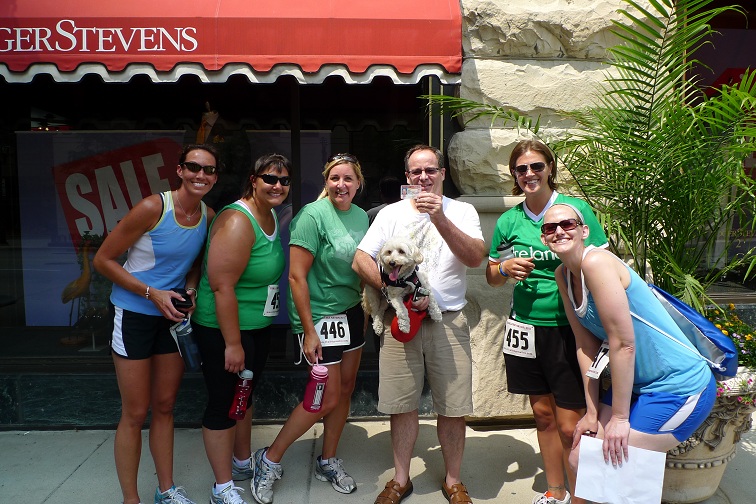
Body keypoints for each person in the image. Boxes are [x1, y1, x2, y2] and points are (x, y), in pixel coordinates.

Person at [353, 144, 486, 504]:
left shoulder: (462, 210)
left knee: (453, 406)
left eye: (430, 170)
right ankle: (401, 480)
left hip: (448, 321)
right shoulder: (390, 213)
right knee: (401, 404)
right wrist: (390, 289)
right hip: (400, 319)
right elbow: (361, 259)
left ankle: (453, 480)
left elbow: (475, 257)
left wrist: (440, 218)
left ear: (443, 173)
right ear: (407, 177)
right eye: (416, 171)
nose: (423, 177)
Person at [540, 203, 716, 474]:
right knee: (579, 459)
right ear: (544, 238)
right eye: (551, 228)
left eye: (567, 224)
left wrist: (620, 419)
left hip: (679, 386)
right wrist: (591, 413)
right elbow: (585, 346)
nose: (559, 231)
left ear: (584, 231)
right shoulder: (562, 275)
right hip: (638, 385)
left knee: (607, 467)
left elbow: (624, 344)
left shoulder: (596, 263)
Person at [93, 144, 219, 504]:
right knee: (135, 412)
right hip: (133, 314)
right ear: (179, 171)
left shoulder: (208, 215)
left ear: (215, 177)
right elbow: (103, 260)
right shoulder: (153, 207)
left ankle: (166, 490)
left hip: (172, 318)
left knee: (165, 406)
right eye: (193, 167)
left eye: (209, 170)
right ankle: (130, 499)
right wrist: (151, 293)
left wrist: (189, 290)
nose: (200, 175)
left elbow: (195, 265)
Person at [485, 139, 607, 504]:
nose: (529, 174)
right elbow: (492, 275)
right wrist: (504, 268)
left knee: (572, 423)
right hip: (524, 327)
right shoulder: (509, 220)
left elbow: (601, 262)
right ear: (514, 175)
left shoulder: (574, 210)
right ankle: (555, 492)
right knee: (542, 415)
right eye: (521, 169)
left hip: (570, 328)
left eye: (536, 166)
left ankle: (583, 497)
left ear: (550, 168)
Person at [249, 153, 369, 504]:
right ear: (326, 181)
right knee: (323, 397)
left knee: (345, 390)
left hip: (351, 312)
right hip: (318, 317)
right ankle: (269, 459)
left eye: (348, 179)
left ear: (358, 183)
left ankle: (327, 460)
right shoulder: (311, 216)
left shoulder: (361, 216)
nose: (341, 185)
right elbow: (296, 277)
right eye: (335, 178)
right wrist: (308, 331)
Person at [192, 154, 291, 504]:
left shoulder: (271, 213)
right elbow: (222, 287)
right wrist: (232, 344)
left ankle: (241, 461)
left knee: (244, 396)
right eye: (270, 179)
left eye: (284, 180)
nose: (277, 186)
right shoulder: (238, 220)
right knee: (223, 403)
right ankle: (222, 488)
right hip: (223, 330)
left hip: (256, 325)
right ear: (253, 180)